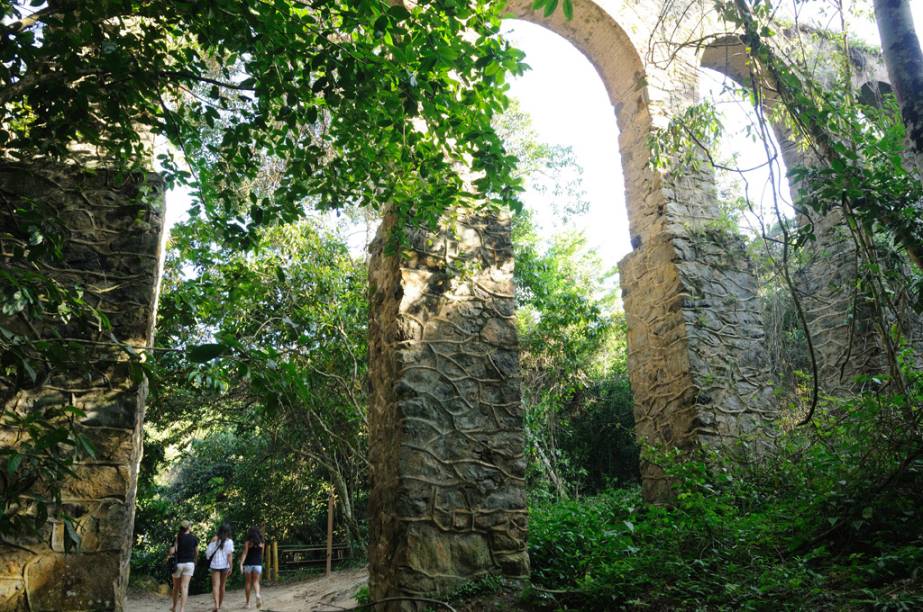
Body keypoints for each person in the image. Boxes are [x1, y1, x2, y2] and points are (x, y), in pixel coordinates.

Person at [169, 520, 198, 612]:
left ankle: (174, 607)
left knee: (176, 587)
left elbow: (172, 551)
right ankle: (182, 609)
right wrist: (195, 561)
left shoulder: (177, 537)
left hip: (178, 564)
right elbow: (197, 552)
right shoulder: (194, 538)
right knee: (184, 586)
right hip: (190, 564)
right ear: (189, 527)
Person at [204, 523, 234, 612]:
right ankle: (219, 606)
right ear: (228, 532)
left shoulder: (214, 539)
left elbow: (208, 553)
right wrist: (231, 567)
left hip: (215, 565)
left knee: (215, 586)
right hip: (225, 566)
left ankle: (216, 605)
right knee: (222, 586)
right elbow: (229, 556)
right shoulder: (230, 541)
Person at [239, 526, 265, 609]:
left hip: (248, 565)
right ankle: (257, 594)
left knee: (248, 583)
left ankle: (248, 604)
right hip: (258, 565)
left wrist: (241, 564)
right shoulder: (262, 543)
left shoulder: (248, 542)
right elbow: (262, 554)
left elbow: (245, 553)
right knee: (256, 582)